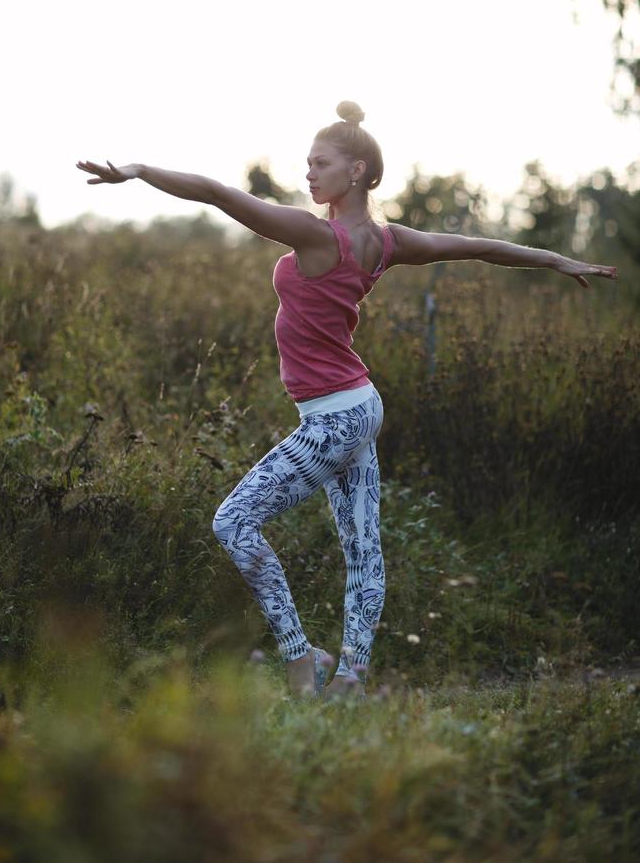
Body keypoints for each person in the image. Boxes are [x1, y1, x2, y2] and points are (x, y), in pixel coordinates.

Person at [76, 100, 618, 701]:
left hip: (335, 415)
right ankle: (354, 676)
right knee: (362, 547)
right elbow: (477, 245)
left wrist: (140, 171)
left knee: (233, 521)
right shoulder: (388, 242)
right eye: (307, 164)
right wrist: (552, 258)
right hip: (357, 406)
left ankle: (300, 658)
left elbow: (217, 192)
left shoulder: (315, 234)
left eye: (320, 163)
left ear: (356, 170)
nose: (308, 175)